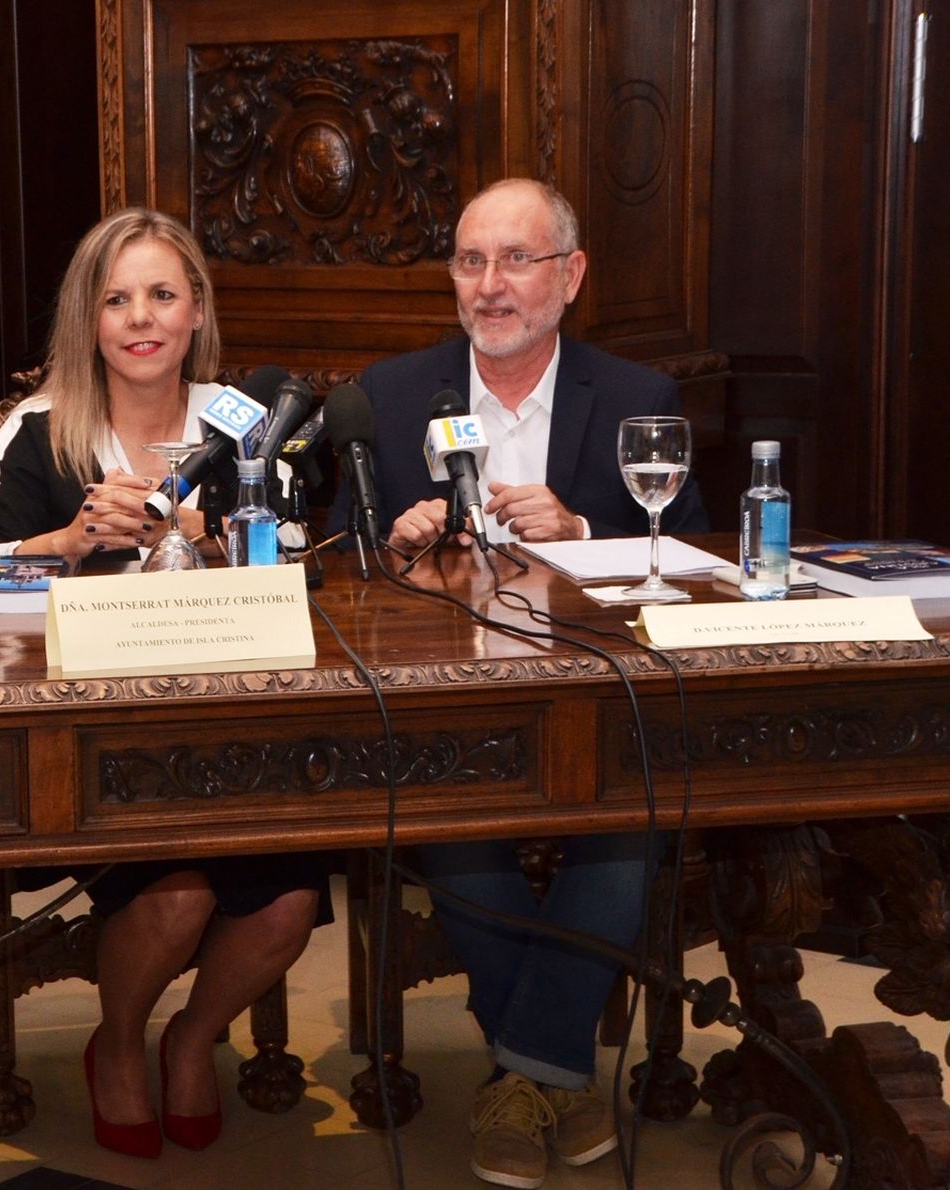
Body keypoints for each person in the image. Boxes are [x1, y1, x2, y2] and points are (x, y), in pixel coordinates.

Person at [338, 177, 707, 1190]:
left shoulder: (635, 396)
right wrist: (390, 541)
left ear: (570, 275)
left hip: (601, 702)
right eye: (469, 261)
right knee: (453, 817)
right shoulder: (394, 391)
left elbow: (698, 550)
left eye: (515, 260)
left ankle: (518, 1072)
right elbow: (333, 553)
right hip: (450, 710)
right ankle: (558, 1076)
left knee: (626, 819)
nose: (490, 285)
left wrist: (587, 530)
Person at [0, 207, 326, 1159]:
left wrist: (214, 535)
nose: (140, 318)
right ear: (90, 320)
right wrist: (67, 543)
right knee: (176, 897)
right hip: (86, 737)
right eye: (115, 300)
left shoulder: (244, 427)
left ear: (196, 309)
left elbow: (299, 567)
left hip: (233, 721)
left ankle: (190, 1039)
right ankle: (116, 1044)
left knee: (287, 902)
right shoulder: (40, 433)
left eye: (162, 294)